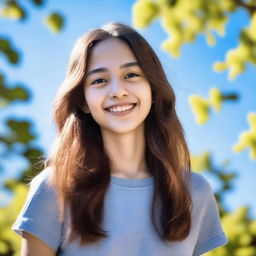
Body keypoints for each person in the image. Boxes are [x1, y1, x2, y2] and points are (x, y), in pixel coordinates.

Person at [12, 22, 228, 256]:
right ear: (83, 101)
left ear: (153, 90)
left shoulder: (193, 191)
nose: (117, 90)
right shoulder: (54, 187)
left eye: (131, 75)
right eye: (99, 80)